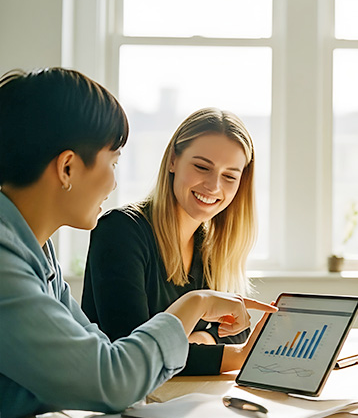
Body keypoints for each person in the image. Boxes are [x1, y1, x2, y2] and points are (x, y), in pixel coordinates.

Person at [0, 68, 276, 418]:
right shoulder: (8, 260)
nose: (114, 183)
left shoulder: (38, 252)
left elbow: (97, 357)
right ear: (67, 168)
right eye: (112, 163)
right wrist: (197, 304)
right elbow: (113, 380)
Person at [81, 108, 261, 375]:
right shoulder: (120, 231)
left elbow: (235, 330)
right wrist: (236, 356)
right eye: (202, 167)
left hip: (180, 398)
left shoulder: (209, 246)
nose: (213, 186)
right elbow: (135, 350)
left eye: (229, 176)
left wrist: (199, 341)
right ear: (173, 161)